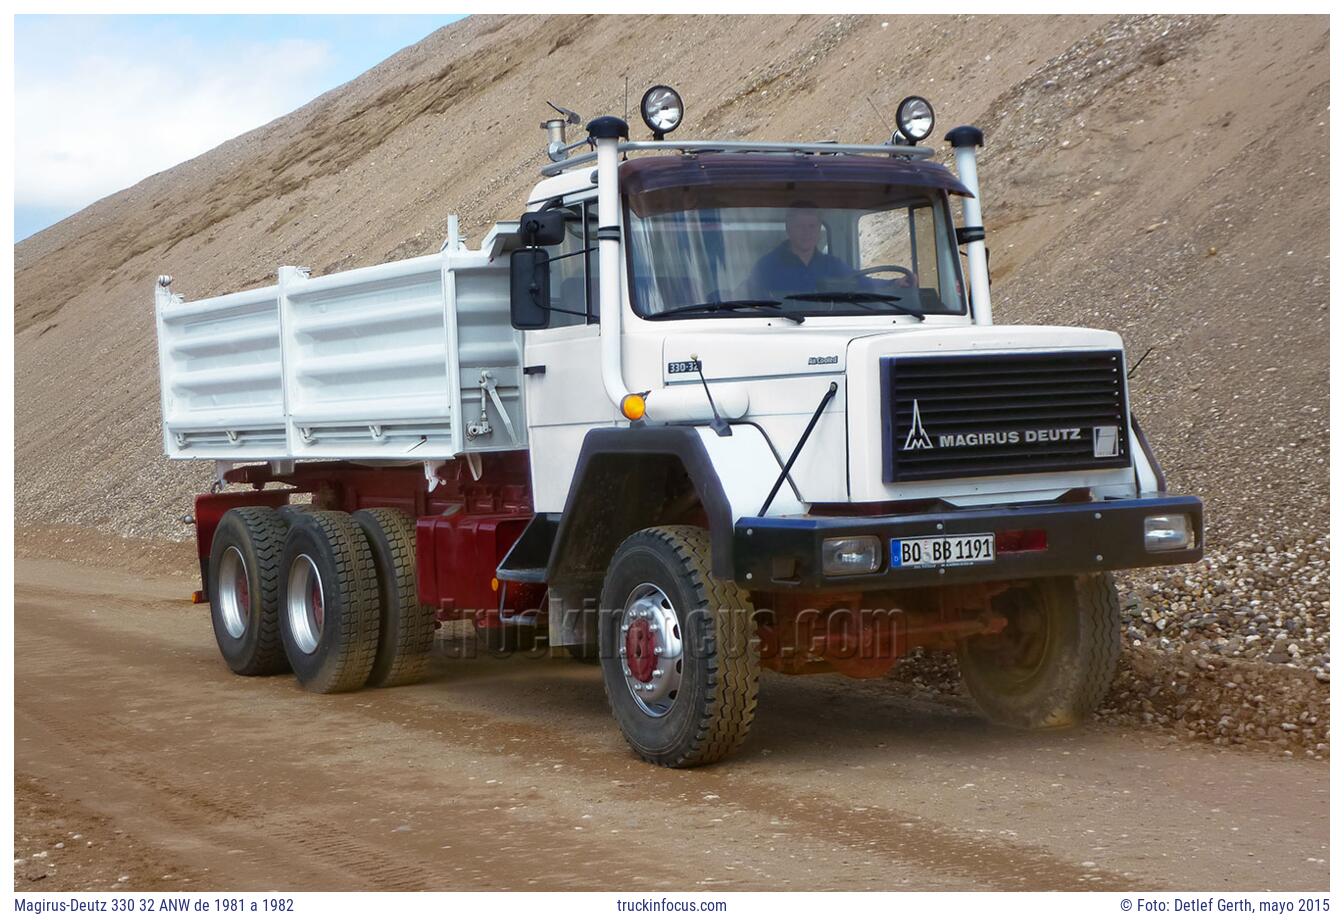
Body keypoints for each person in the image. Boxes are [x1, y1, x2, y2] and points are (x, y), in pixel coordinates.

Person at [746, 202, 857, 300]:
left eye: (812, 226)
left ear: (819, 229)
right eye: (800, 226)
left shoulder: (834, 265)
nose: (806, 232)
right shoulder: (765, 266)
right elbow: (752, 304)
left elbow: (866, 287)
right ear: (788, 228)